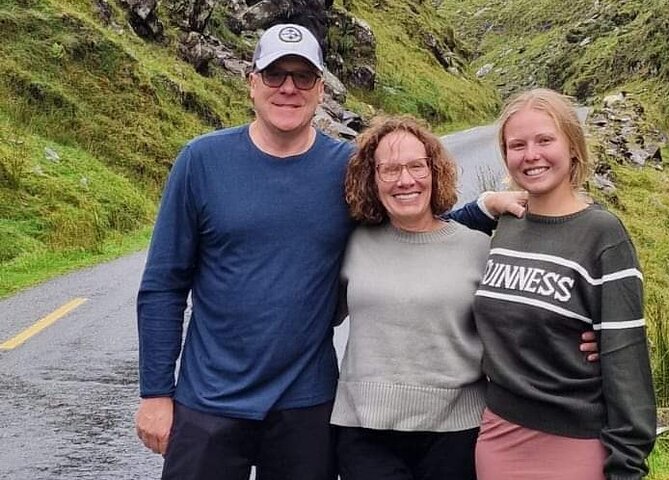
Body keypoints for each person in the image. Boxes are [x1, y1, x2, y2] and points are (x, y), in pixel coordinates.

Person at [134, 23, 514, 480]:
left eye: (303, 76)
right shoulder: (201, 161)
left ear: (320, 89)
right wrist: (156, 392)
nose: (288, 88)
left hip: (306, 404)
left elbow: (414, 224)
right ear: (252, 82)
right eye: (275, 74)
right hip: (209, 399)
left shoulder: (346, 170)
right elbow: (164, 284)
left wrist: (482, 209)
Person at [332, 115, 599, 480]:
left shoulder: (478, 247)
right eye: (389, 169)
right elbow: (314, 314)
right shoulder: (351, 243)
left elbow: (519, 320)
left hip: (456, 432)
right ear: (371, 178)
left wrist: (586, 338)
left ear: (434, 171)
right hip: (364, 432)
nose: (405, 180)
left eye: (416, 166)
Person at [473, 88, 656, 479]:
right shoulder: (506, 225)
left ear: (573, 147)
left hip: (574, 441)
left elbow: (626, 357)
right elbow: (426, 230)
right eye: (517, 145)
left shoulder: (603, 235)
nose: (531, 155)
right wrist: (486, 203)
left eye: (545, 140)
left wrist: (627, 463)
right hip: (498, 435)